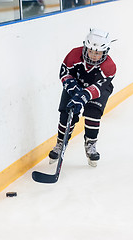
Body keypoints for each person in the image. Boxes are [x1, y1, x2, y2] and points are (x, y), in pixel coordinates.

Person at [49, 28, 116, 167]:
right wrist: (74, 90)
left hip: (97, 90)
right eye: (90, 50)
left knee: (93, 113)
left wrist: (83, 96)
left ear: (105, 51)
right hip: (75, 85)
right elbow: (64, 73)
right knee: (66, 113)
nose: (93, 55)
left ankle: (90, 143)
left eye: (97, 53)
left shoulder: (109, 67)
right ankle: (61, 142)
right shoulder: (74, 54)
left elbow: (98, 88)